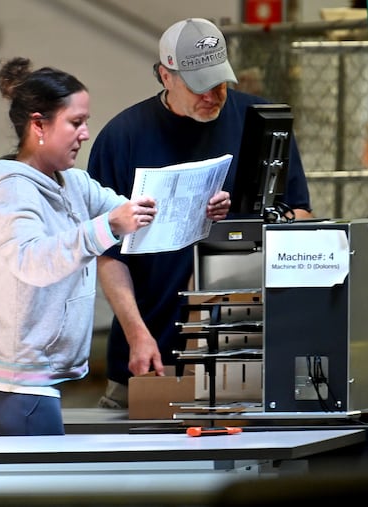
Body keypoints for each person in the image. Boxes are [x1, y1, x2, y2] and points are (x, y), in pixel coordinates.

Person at [0, 56, 231, 436]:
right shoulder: (8, 188)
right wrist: (105, 227)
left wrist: (201, 208)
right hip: (11, 386)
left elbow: (139, 215)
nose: (85, 134)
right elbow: (32, 261)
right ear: (38, 124)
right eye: (75, 123)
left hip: (36, 382)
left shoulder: (72, 183)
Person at [87, 18, 312, 409]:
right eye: (198, 85)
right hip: (149, 356)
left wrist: (241, 224)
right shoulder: (122, 138)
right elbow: (107, 253)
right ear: (165, 75)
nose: (211, 95)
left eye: (219, 82)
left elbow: (301, 216)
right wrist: (137, 334)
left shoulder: (260, 123)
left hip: (243, 354)